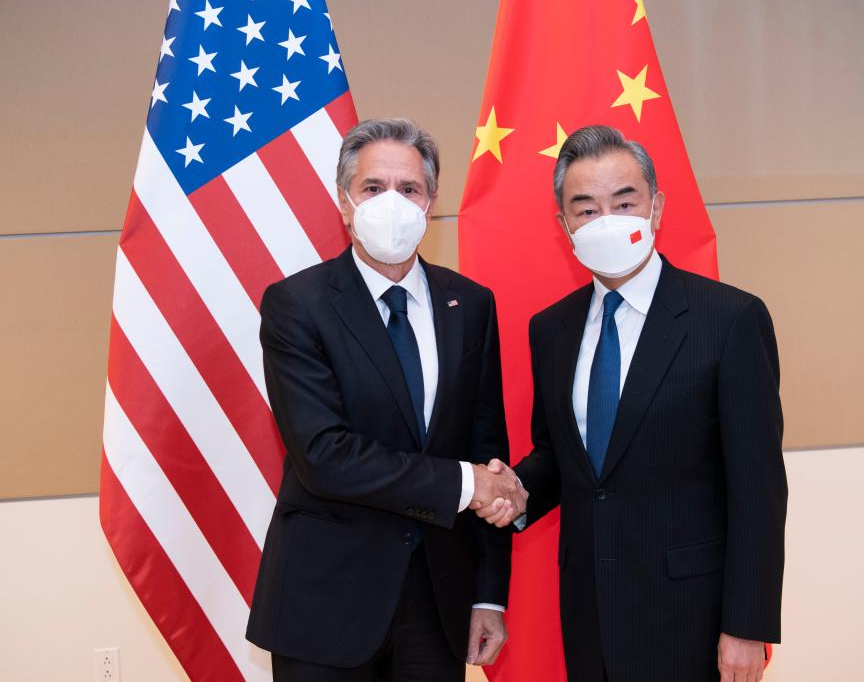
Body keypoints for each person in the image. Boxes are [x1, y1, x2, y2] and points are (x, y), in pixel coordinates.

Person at [475, 125, 787, 682]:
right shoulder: (552, 329)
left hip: (693, 618)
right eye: (586, 209)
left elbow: (758, 489)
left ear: (656, 207)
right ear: (564, 225)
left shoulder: (730, 320)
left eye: (625, 203)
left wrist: (747, 625)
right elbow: (562, 457)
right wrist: (517, 493)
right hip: (590, 612)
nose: (608, 220)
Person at [246, 118, 527, 681]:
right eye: (373, 188)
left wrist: (488, 594)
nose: (392, 203)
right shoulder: (297, 305)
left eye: (409, 188)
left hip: (438, 603)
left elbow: (487, 450)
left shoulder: (470, 304)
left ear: (431, 202)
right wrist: (466, 484)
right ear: (344, 201)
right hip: (326, 601)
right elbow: (324, 455)